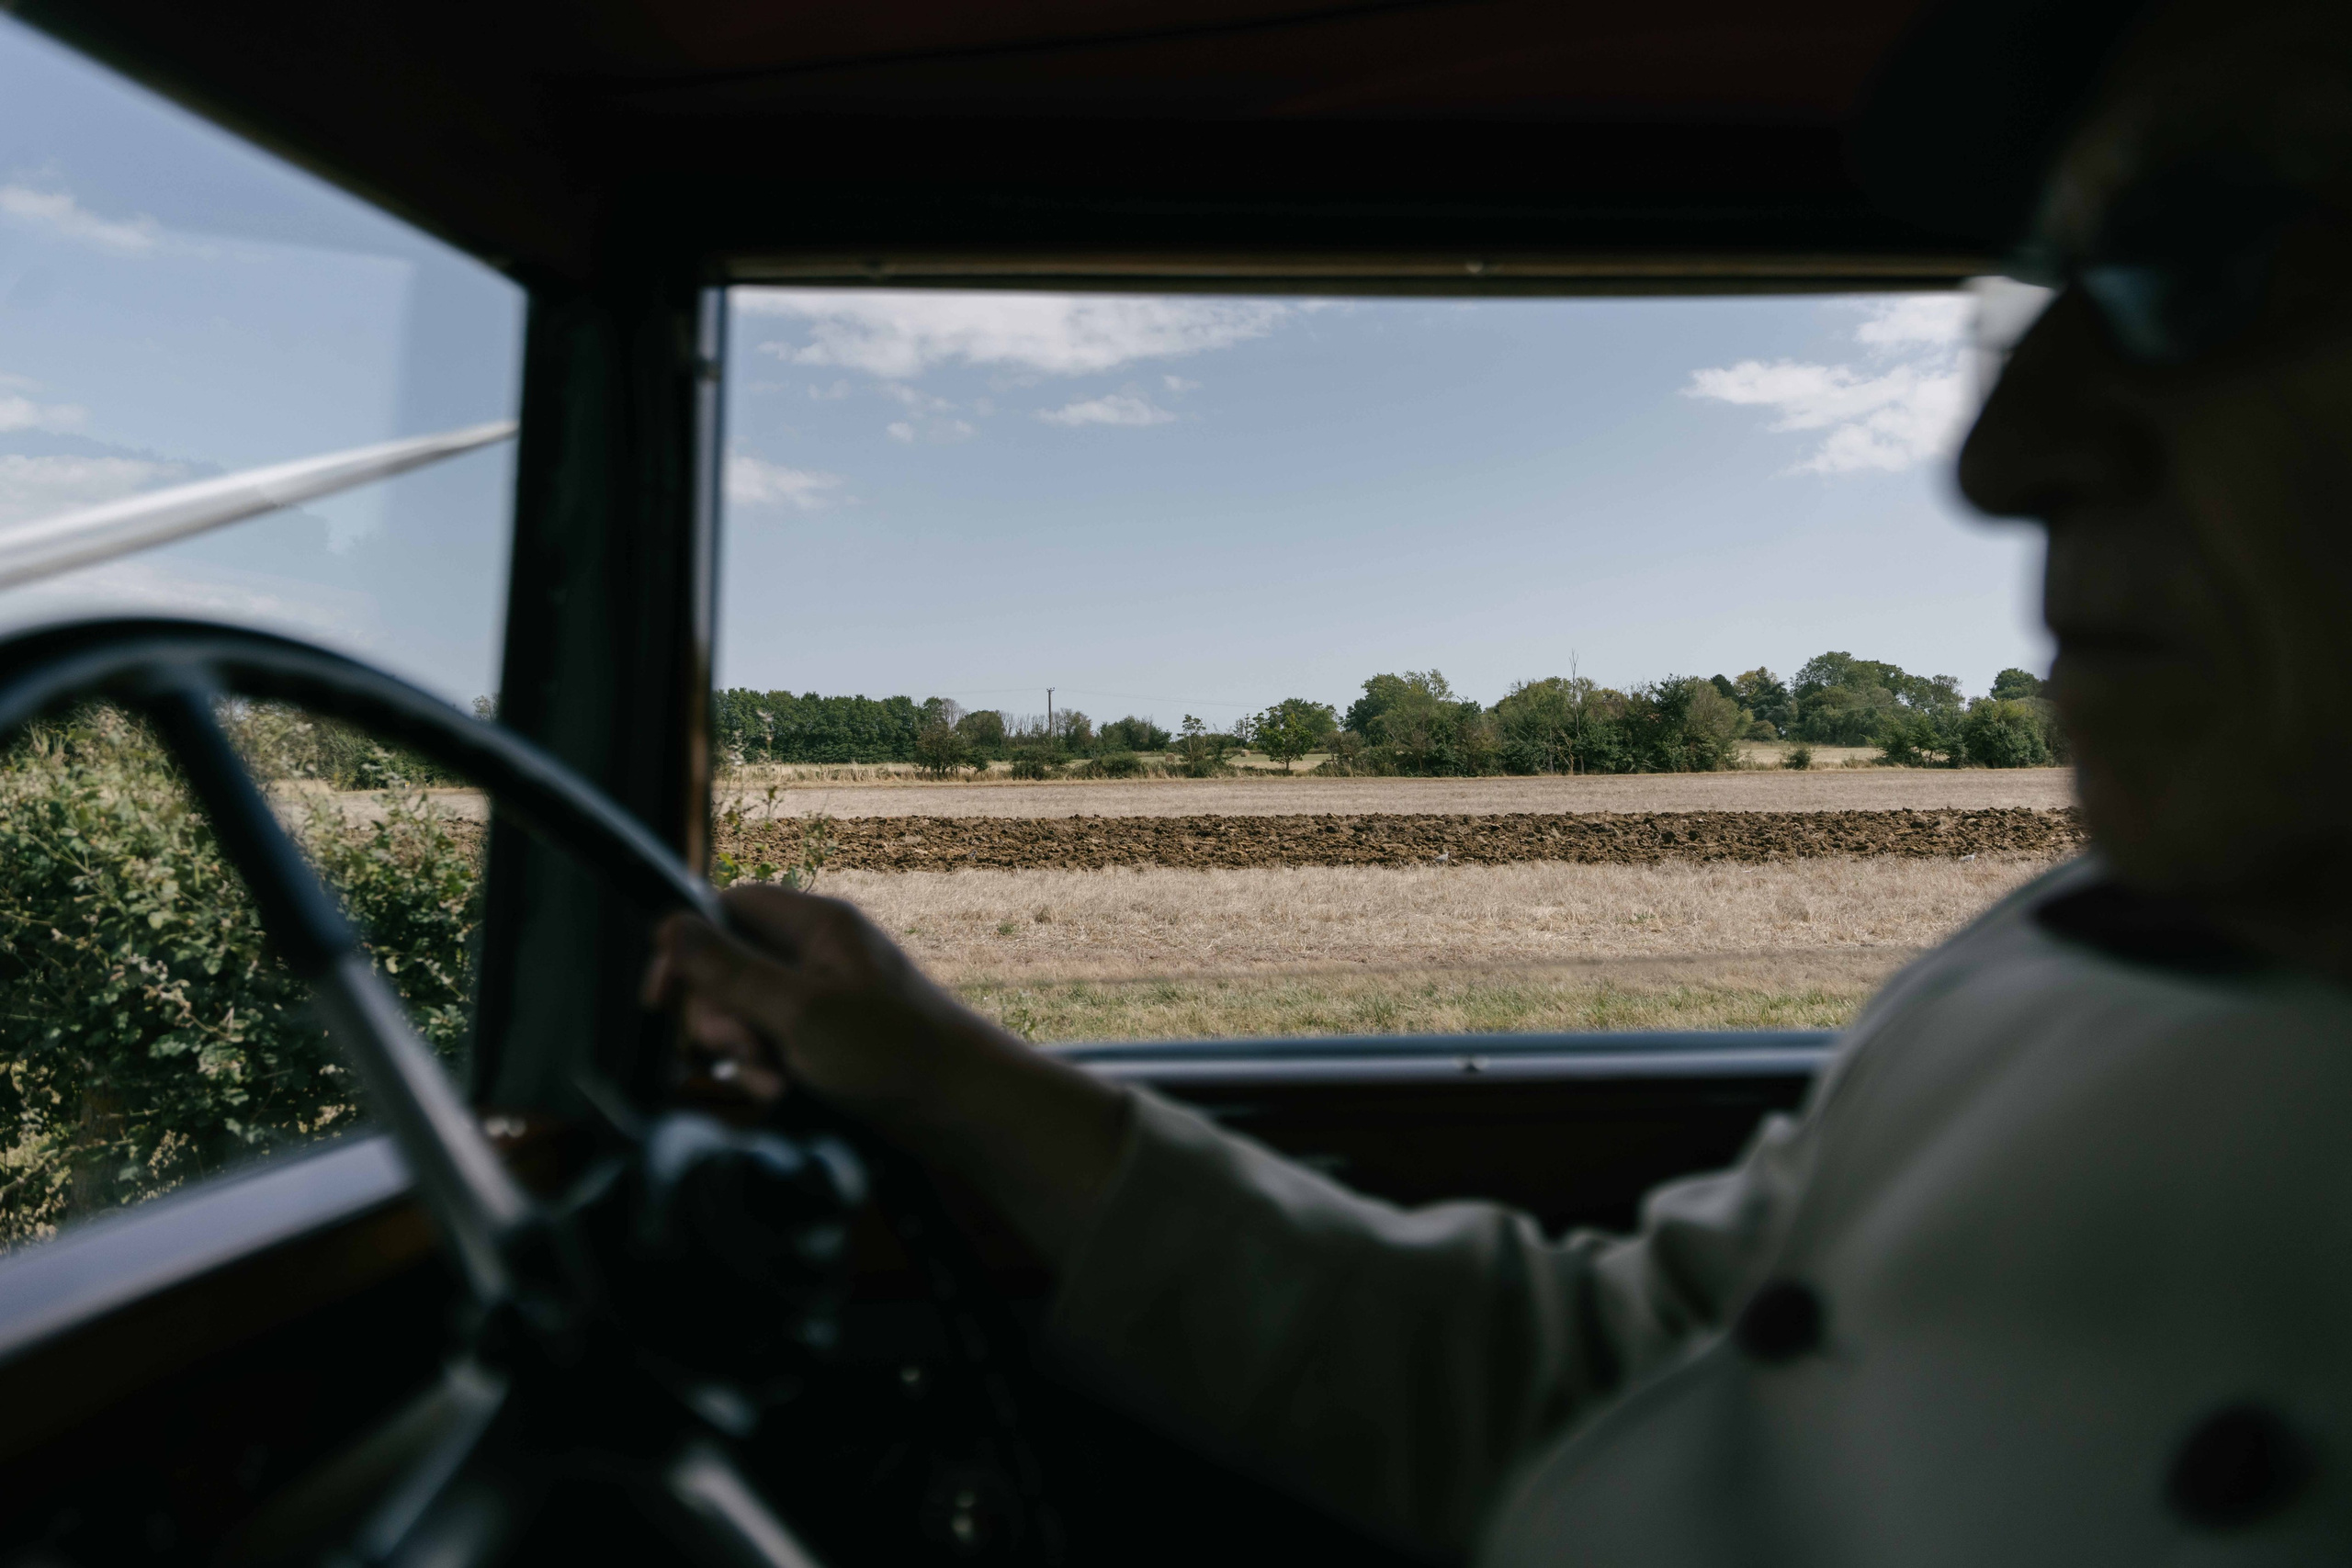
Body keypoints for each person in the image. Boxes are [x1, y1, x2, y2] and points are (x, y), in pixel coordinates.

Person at [644, 0, 2352, 1558]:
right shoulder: (2036, 969)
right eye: (2048, 297)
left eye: (2197, 259)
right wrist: (939, 1070)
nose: (2002, 455)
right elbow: (1594, 1385)